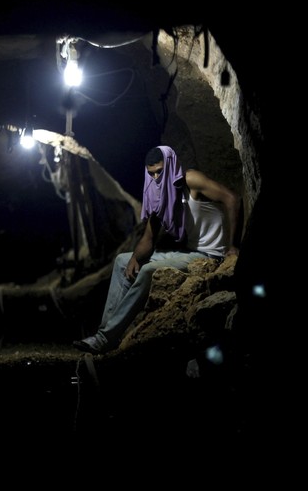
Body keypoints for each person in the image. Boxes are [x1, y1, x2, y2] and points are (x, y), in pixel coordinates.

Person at [72, 145, 241, 354]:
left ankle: (105, 338)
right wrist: (135, 257)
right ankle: (105, 336)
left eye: (160, 171)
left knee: (148, 270)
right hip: (191, 252)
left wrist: (232, 245)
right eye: (151, 173)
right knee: (123, 261)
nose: (156, 177)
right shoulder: (159, 194)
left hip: (210, 256)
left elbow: (232, 198)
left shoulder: (191, 180)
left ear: (170, 165)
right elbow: (148, 237)